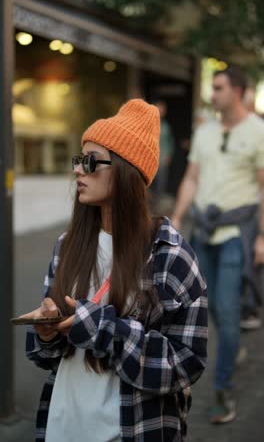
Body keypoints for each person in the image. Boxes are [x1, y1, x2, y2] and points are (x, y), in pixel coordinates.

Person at [22, 99, 207, 442]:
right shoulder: (68, 245)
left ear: (126, 170)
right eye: (79, 160)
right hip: (63, 425)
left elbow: (185, 364)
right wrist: (46, 334)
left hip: (131, 428)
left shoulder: (170, 254)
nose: (78, 170)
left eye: (90, 162)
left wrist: (99, 327)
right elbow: (47, 358)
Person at [171, 66, 264, 424]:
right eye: (214, 87)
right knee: (200, 307)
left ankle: (224, 392)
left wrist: (260, 237)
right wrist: (178, 217)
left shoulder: (257, 132)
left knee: (225, 310)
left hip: (233, 236)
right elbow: (191, 178)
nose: (214, 94)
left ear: (238, 91)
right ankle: (231, 344)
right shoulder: (205, 131)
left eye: (220, 88)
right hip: (202, 231)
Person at [152, 100, 174, 197]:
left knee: (161, 181)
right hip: (150, 158)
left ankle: (159, 200)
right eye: (160, 108)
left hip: (162, 158)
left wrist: (169, 154)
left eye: (163, 109)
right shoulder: (149, 124)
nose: (162, 111)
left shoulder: (166, 125)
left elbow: (170, 141)